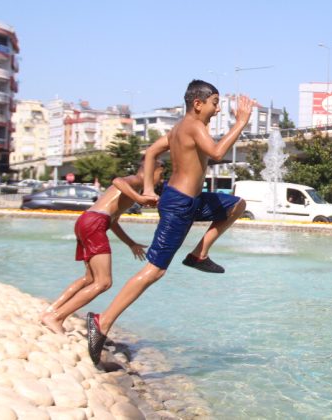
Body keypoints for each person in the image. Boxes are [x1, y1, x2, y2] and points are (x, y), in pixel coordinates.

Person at [85, 80, 253, 364]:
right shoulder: (193, 127)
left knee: (236, 204)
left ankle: (200, 253)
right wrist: (241, 122)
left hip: (191, 200)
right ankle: (102, 321)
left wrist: (150, 189)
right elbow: (216, 154)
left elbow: (150, 153)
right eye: (214, 102)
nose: (218, 108)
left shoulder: (178, 129)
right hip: (178, 206)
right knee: (154, 270)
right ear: (198, 103)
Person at [40, 160, 165, 334]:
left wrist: (131, 243)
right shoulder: (135, 181)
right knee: (103, 282)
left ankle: (52, 310)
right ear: (151, 171)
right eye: (161, 175)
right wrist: (139, 198)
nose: (161, 180)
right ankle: (56, 317)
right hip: (95, 224)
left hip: (88, 221)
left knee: (90, 279)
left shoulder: (133, 188)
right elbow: (117, 181)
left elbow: (112, 222)